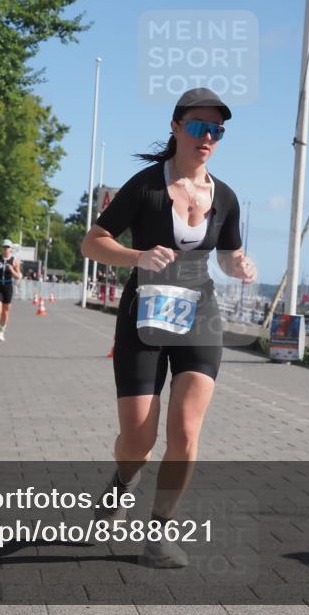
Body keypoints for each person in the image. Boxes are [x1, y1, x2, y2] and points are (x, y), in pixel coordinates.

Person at [80, 87, 256, 568]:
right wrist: (137, 256)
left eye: (216, 130)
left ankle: (158, 535)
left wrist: (240, 266)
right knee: (139, 440)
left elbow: (229, 254)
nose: (207, 137)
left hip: (201, 312)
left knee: (185, 431)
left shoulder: (226, 197)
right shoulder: (146, 187)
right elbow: (92, 243)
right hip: (146, 311)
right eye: (198, 126)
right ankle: (124, 480)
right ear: (176, 127)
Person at [0, 239, 21, 340]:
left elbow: (18, 276)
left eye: (7, 247)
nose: (5, 249)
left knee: (5, 311)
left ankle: (1, 332)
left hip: (8, 286)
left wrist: (12, 270)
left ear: (11, 249)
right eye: (4, 247)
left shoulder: (15, 261)